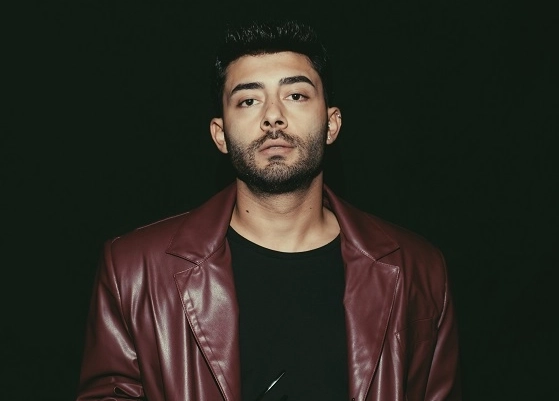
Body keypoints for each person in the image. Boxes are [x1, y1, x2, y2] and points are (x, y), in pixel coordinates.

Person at [76, 19, 462, 401]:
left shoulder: (419, 269)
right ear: (220, 134)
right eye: (249, 100)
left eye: (296, 95)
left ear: (331, 124)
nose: (273, 116)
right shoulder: (134, 271)